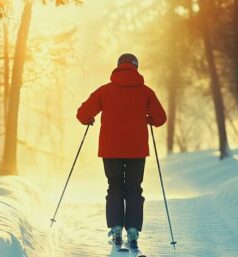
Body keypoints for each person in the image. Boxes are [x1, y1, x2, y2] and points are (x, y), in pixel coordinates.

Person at [76, 53, 167, 249]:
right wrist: (147, 119)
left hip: (111, 151)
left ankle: (116, 228)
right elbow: (160, 119)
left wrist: (88, 120)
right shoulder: (146, 92)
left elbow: (83, 114)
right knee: (134, 188)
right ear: (136, 67)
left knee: (114, 187)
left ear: (118, 67)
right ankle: (133, 231)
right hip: (137, 151)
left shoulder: (105, 91)